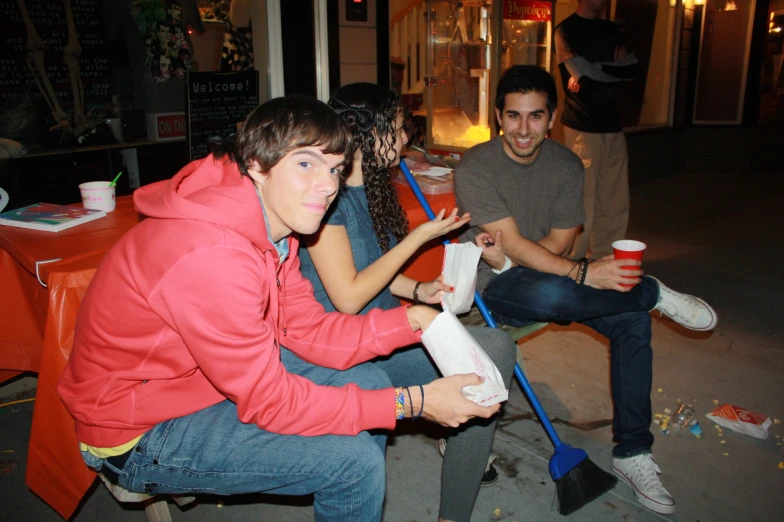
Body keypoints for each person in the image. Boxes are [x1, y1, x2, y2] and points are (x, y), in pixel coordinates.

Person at [57, 95, 501, 522]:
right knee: (354, 462)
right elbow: (269, 401)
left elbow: (309, 331)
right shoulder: (211, 255)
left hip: (200, 385)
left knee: (368, 379)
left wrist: (412, 319)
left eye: (335, 168)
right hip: (136, 428)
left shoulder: (272, 225)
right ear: (257, 163)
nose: (328, 185)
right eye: (305, 163)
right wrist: (414, 402)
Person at [453, 65, 719, 516]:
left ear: (552, 116)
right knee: (559, 295)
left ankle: (633, 452)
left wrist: (547, 267)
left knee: (629, 321)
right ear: (499, 116)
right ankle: (649, 292)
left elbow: (559, 242)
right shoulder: (476, 166)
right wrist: (579, 274)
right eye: (513, 116)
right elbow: (512, 245)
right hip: (489, 283)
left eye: (535, 116)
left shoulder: (566, 164)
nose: (523, 129)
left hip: (532, 272)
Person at [298, 82, 517, 522]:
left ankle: (453, 514)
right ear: (366, 132)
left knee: (495, 349)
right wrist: (419, 237)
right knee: (375, 408)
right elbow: (349, 295)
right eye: (396, 129)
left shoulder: (374, 189)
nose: (404, 140)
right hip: (339, 353)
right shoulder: (325, 202)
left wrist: (421, 290)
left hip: (384, 336)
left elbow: (376, 270)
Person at [554, 0, 639, 259]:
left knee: (615, 197)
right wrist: (611, 68)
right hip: (583, 125)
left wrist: (596, 67)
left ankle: (605, 256)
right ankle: (574, 259)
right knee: (583, 196)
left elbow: (634, 69)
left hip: (613, 122)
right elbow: (586, 78)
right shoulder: (566, 30)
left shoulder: (612, 29)